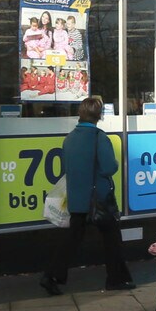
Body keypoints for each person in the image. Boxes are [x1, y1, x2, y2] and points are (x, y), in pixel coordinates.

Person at [40, 96, 133, 295]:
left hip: (77, 200)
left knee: (71, 239)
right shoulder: (100, 138)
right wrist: (115, 165)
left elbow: (67, 168)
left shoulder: (70, 138)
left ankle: (51, 275)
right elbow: (109, 167)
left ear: (81, 114)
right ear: (98, 116)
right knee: (112, 238)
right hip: (98, 199)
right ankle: (116, 279)